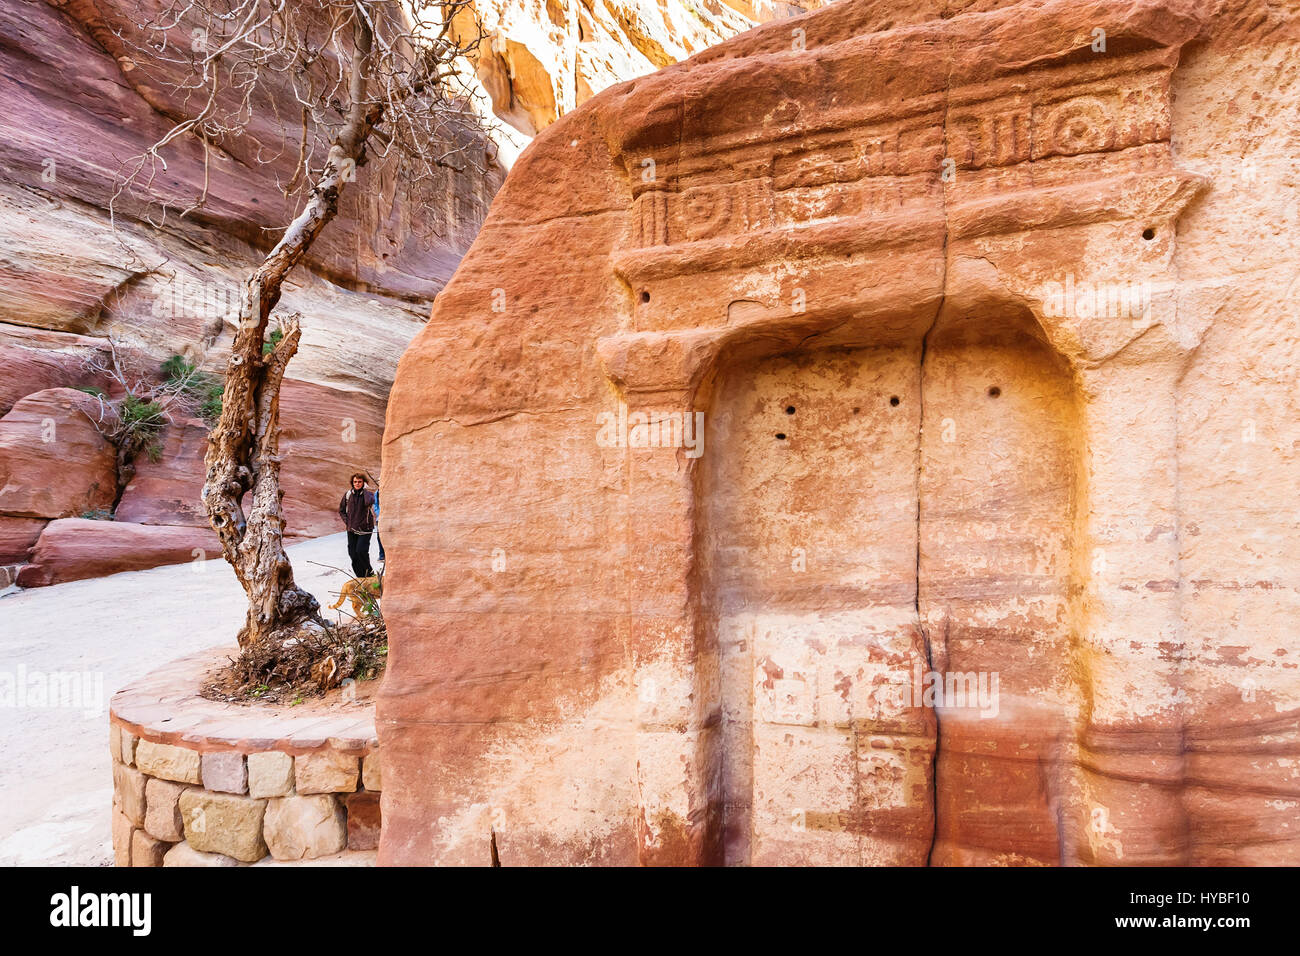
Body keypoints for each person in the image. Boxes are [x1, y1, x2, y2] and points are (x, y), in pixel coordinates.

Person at [338, 473, 376, 579]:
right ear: (352, 483)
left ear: (363, 483)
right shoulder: (348, 494)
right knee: (353, 554)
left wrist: (365, 490)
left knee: (361, 551)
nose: (357, 484)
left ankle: (370, 575)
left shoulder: (368, 494)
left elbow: (370, 501)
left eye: (360, 482)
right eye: (355, 482)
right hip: (351, 529)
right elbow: (341, 510)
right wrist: (348, 522)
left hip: (365, 528)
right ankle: (360, 578)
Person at [373, 487, 385, 564]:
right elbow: (375, 505)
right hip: (380, 518)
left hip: (389, 517)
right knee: (379, 537)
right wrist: (380, 514)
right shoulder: (377, 493)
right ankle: (382, 555)